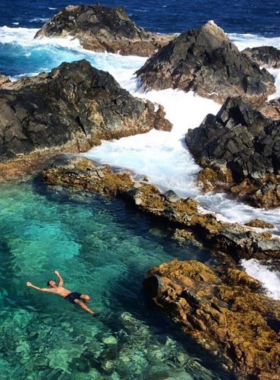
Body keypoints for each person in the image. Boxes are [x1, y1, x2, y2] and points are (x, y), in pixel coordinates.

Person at [26, 270, 98, 316]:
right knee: (79, 302)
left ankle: (84, 306)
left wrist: (58, 274)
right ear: (50, 285)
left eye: (52, 280)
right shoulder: (51, 290)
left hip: (73, 293)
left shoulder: (60, 286)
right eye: (51, 282)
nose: (52, 281)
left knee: (87, 297)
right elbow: (40, 289)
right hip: (68, 297)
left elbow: (61, 280)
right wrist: (31, 285)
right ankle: (92, 313)